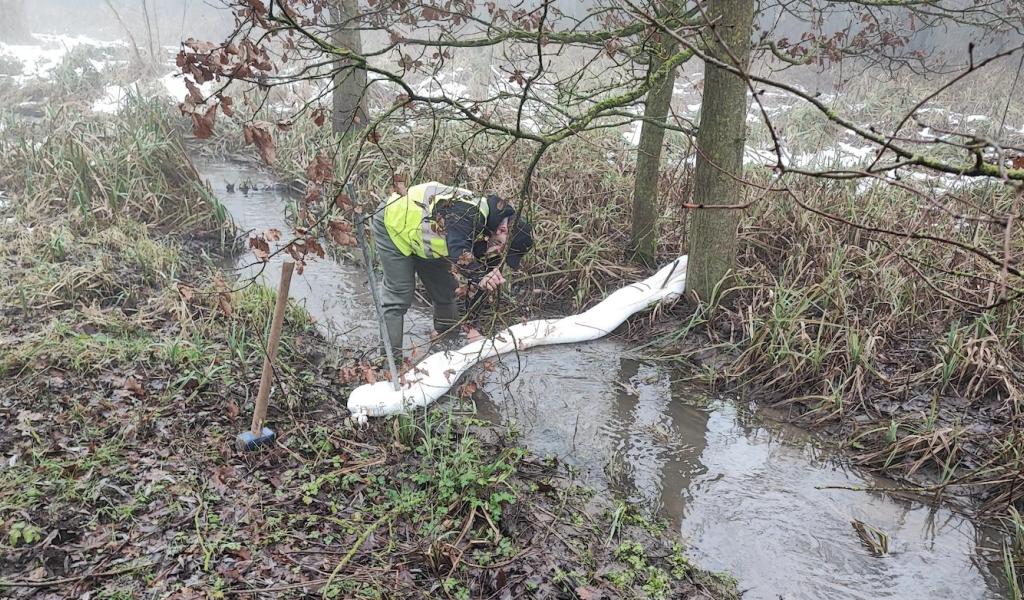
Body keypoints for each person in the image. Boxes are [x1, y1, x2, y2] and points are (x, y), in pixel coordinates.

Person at [371, 181, 533, 362]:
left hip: (425, 240)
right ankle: (389, 364)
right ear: (502, 230)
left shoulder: (491, 233)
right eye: (501, 248)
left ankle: (446, 347)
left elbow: (480, 285)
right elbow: (458, 248)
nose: (496, 253)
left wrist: (472, 327)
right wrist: (479, 275)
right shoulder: (468, 213)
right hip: (394, 224)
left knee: (447, 292)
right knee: (398, 296)